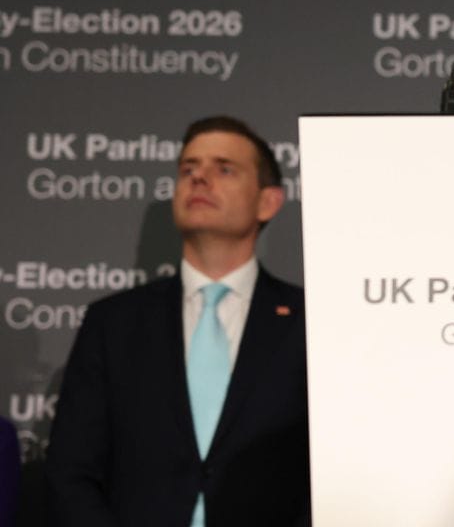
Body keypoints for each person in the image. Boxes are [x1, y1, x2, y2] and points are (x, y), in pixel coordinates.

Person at [46, 116, 309, 527]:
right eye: (188, 169)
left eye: (224, 169)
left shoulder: (307, 325)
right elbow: (71, 472)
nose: (199, 178)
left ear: (268, 202)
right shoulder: (113, 324)